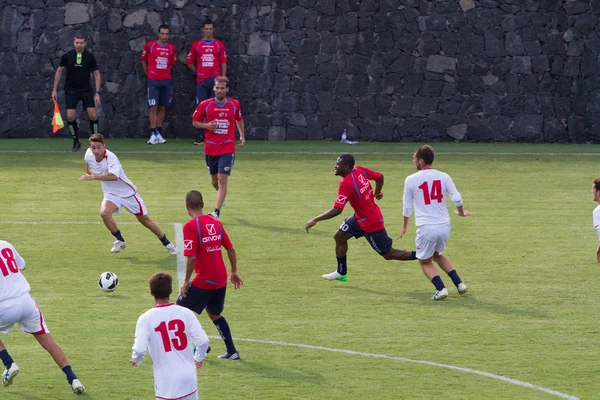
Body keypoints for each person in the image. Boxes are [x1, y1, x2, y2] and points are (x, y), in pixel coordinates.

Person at [305, 154, 417, 281]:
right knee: (339, 237)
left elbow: (337, 210)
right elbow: (379, 177)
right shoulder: (359, 170)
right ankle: (341, 273)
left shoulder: (345, 183)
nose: (334, 166)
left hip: (371, 222)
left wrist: (315, 219)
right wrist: (377, 192)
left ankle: (423, 255)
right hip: (359, 218)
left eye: (337, 164)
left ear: (346, 167)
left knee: (388, 254)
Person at [0, 240, 84, 394]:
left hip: (3, 306)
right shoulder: (5, 244)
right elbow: (22, 265)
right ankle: (73, 379)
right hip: (26, 301)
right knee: (49, 342)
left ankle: (9, 363)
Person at [79, 133, 176, 254]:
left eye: (99, 147)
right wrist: (89, 173)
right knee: (104, 213)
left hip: (128, 194)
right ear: (90, 147)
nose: (96, 150)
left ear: (104, 146)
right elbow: (89, 166)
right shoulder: (88, 154)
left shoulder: (111, 157)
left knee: (146, 221)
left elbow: (114, 176)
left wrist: (93, 177)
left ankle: (166, 242)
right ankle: (120, 240)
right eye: (93, 147)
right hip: (111, 193)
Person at [176, 190, 243, 360]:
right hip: (221, 278)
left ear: (186, 207)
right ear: (203, 205)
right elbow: (231, 248)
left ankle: (202, 345)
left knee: (179, 310)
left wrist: (185, 282)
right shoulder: (215, 222)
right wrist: (234, 271)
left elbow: (191, 257)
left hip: (205, 279)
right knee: (214, 314)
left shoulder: (190, 226)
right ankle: (232, 351)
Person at [398, 144, 470, 301]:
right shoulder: (444, 176)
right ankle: (459, 284)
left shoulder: (411, 180)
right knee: (438, 254)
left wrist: (404, 226)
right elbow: (457, 198)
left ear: (421, 161)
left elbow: (406, 207)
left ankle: (441, 288)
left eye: (414, 159)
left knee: (424, 262)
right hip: (444, 226)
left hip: (426, 228)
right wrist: (462, 212)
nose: (413, 162)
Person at [131, 272, 210, 400]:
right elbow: (203, 342)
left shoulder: (145, 319)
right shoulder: (186, 313)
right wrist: (198, 358)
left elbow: (139, 350)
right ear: (171, 291)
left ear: (151, 293)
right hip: (189, 379)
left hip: (166, 384)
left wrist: (136, 360)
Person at [192, 76, 245, 219]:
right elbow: (195, 122)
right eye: (217, 88)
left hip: (227, 148)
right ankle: (221, 194)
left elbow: (239, 119)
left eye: (223, 88)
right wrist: (207, 126)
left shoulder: (234, 104)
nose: (220, 90)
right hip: (210, 149)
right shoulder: (205, 105)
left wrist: (241, 136)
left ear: (227, 89)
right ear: (214, 88)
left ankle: (216, 211)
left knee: (222, 179)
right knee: (215, 181)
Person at [51, 32, 101, 152]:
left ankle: (96, 142)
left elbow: (97, 74)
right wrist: (54, 89)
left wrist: (97, 92)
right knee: (70, 116)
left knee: (93, 115)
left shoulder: (90, 57)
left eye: (81, 43)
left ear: (85, 43)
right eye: (77, 42)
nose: (79, 45)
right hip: (71, 90)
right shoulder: (67, 56)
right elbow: (59, 72)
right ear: (73, 43)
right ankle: (75, 140)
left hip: (86, 90)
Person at [186, 18, 227, 145]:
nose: (208, 31)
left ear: (213, 30)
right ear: (203, 30)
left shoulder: (219, 45)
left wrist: (223, 79)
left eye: (210, 29)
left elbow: (223, 62)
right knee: (202, 108)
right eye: (206, 29)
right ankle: (200, 136)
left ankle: (214, 136)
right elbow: (189, 62)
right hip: (201, 81)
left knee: (215, 108)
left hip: (215, 81)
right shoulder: (196, 45)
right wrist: (198, 72)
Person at [141, 24, 176, 145]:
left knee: (163, 107)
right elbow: (143, 60)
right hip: (153, 81)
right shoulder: (150, 45)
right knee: (153, 107)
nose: (164, 36)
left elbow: (171, 63)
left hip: (166, 80)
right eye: (162, 34)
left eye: (167, 34)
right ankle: (153, 133)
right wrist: (149, 75)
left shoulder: (172, 47)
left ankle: (159, 133)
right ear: (158, 34)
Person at [591, 178, 600, 262]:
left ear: (598, 192)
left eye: (593, 189)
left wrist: (598, 251)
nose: (591, 191)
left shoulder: (597, 212)